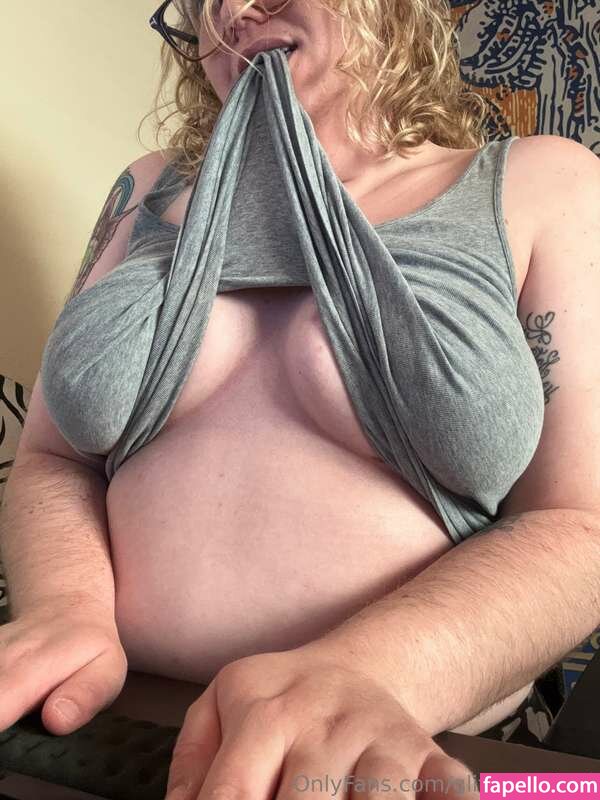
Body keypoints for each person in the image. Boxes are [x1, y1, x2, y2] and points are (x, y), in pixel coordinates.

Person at [1, 1, 599, 798]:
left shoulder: (542, 181)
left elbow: (579, 522)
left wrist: (363, 674)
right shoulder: (143, 188)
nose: (232, 11)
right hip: (94, 725)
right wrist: (64, 608)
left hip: (398, 749)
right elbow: (51, 457)